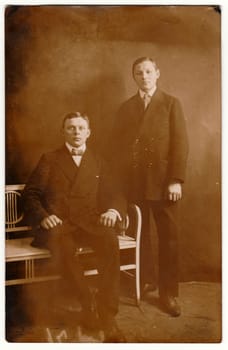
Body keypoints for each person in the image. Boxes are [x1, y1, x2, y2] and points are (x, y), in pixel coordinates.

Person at [22, 112, 126, 342]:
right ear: (63, 132)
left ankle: (108, 316)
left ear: (89, 132)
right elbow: (31, 194)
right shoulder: (50, 159)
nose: (76, 132)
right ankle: (87, 302)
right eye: (71, 128)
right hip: (60, 224)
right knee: (64, 250)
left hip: (90, 222)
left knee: (110, 242)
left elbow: (115, 194)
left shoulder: (98, 160)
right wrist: (43, 216)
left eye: (81, 128)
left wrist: (112, 211)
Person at [110, 57, 189, 317]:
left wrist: (176, 179)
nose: (144, 76)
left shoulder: (170, 103)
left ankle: (169, 293)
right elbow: (118, 148)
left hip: (164, 183)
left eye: (148, 71)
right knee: (140, 237)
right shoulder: (126, 108)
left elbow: (180, 143)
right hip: (136, 183)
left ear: (157, 73)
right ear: (134, 77)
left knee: (169, 239)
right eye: (138, 73)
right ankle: (146, 281)